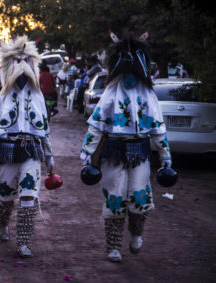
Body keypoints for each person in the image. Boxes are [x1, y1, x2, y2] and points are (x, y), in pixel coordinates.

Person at [80, 30, 172, 263]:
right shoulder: (111, 91)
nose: (130, 77)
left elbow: (157, 128)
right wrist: (87, 151)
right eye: (126, 73)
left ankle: (137, 233)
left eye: (134, 73)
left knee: (139, 197)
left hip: (140, 152)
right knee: (115, 197)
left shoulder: (148, 93)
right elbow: (97, 124)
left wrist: (165, 156)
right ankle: (113, 247)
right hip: (113, 151)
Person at [0, 36, 55, 258]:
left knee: (28, 195)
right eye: (17, 61)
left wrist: (49, 155)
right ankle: (2, 225)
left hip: (32, 150)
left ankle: (24, 241)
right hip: (7, 149)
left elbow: (44, 127)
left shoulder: (38, 95)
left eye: (26, 61)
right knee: (4, 195)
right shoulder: (3, 96)